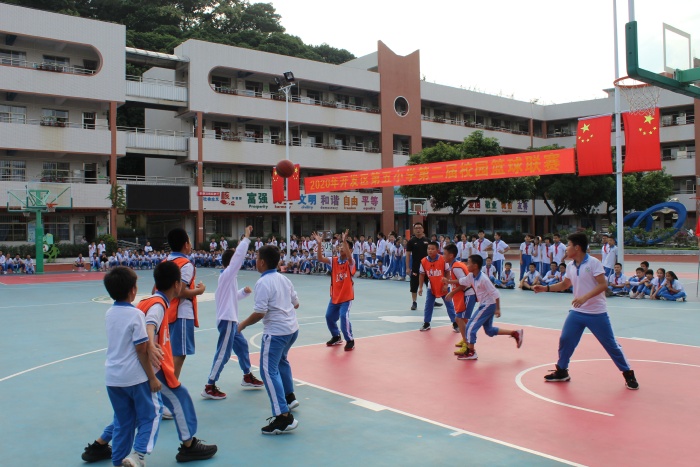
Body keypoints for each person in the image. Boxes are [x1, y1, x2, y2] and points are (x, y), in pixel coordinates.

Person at [82, 263, 218, 465]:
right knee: (173, 403)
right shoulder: (158, 305)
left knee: (128, 415)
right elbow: (150, 325)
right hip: (148, 368)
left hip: (120, 374)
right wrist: (151, 347)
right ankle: (185, 447)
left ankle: (101, 445)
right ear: (177, 285)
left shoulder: (139, 303)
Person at [533, 232, 639, 390]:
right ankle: (562, 371)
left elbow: (603, 285)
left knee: (610, 345)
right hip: (577, 312)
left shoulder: (594, 263)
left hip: (596, 312)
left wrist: (584, 298)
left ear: (577, 247)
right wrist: (545, 288)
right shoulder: (570, 266)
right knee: (566, 339)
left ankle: (628, 373)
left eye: (568, 245)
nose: (566, 248)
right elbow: (565, 285)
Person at [100, 267, 163, 466]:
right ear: (133, 290)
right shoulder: (136, 315)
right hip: (134, 377)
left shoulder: (110, 313)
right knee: (151, 415)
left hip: (113, 378)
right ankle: (139, 454)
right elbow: (141, 350)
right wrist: (152, 378)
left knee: (122, 422)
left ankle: (118, 461)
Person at [238, 245, 301, 435]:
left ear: (262, 262)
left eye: (257, 258)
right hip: (292, 330)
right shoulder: (284, 279)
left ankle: (283, 416)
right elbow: (296, 304)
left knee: (267, 371)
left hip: (276, 333)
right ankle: (289, 397)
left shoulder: (263, 282)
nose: (255, 260)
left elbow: (260, 312)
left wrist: (242, 325)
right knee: (282, 361)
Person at [202, 226, 264, 401]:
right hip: (227, 321)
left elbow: (231, 298)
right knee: (223, 353)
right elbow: (237, 258)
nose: (239, 263)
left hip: (231, 321)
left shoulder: (227, 279)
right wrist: (246, 239)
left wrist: (243, 292)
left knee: (242, 346)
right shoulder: (227, 275)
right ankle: (209, 386)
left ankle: (247, 376)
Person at [445, 254, 523, 360]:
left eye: (469, 263)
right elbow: (462, 281)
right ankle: (515, 333)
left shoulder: (483, 279)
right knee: (489, 330)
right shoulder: (471, 276)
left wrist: (498, 309)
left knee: (470, 326)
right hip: (485, 304)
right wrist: (449, 281)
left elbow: (495, 293)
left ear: (475, 266)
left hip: (489, 305)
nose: (466, 265)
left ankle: (471, 352)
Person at [166, 228, 206, 379]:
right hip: (181, 313)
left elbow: (154, 289)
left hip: (167, 312)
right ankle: (171, 385)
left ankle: (168, 383)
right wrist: (199, 291)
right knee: (179, 354)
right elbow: (180, 292)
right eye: (189, 241)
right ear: (186, 245)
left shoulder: (165, 262)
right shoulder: (186, 265)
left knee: (168, 352)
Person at [313, 230, 357, 351]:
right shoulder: (334, 260)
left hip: (346, 297)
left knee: (343, 317)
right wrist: (320, 244)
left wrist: (344, 240)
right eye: (340, 246)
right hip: (335, 296)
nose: (341, 248)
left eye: (344, 246)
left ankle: (350, 340)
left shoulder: (351, 262)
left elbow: (349, 257)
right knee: (329, 317)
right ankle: (336, 336)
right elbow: (320, 258)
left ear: (350, 250)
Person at [443, 244, 477, 356]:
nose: (443, 256)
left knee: (459, 318)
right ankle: (465, 338)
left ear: (451, 255)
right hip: (466, 294)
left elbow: (464, 283)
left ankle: (467, 344)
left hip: (468, 294)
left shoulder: (456, 267)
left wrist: (452, 292)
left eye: (444, 254)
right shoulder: (456, 264)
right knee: (462, 319)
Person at [417, 241, 457, 332]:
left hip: (443, 286)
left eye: (432, 249)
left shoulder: (443, 259)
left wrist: (446, 285)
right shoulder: (423, 261)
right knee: (428, 305)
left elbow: (448, 272)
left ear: (437, 250)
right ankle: (426, 323)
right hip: (431, 287)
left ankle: (455, 323)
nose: (430, 250)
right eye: (428, 249)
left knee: (449, 305)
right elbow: (422, 275)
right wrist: (420, 287)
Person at [406, 222, 430, 311]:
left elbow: (432, 254)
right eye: (416, 228)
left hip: (427, 267)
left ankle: (432, 300)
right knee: (414, 285)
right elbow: (408, 255)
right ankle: (414, 302)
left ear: (423, 229)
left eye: (420, 228)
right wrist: (407, 267)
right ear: (414, 230)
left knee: (430, 285)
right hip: (416, 267)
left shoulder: (427, 241)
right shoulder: (411, 242)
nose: (418, 230)